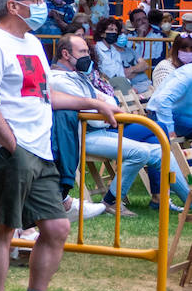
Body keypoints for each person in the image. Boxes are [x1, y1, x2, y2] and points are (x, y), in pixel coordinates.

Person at [0, 0, 120, 291]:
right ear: (13, 6)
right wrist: (10, 144)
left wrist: (90, 101)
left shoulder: (34, 43)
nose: (43, 5)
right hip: (12, 150)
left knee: (56, 227)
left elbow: (43, 95)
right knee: (2, 229)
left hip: (40, 150)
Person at [52, 32, 187, 214]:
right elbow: (96, 111)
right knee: (141, 150)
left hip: (103, 129)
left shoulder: (78, 76)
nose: (88, 56)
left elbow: (109, 100)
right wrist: (102, 106)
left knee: (159, 149)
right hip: (85, 134)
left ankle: (187, 201)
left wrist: (103, 105)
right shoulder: (58, 79)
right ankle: (111, 202)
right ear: (65, 54)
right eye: (83, 51)